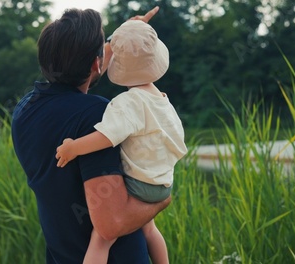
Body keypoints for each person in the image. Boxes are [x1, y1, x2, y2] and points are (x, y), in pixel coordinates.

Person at [11, 7, 171, 264]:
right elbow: (110, 224)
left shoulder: (24, 110)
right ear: (96, 63)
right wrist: (161, 201)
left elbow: (81, 72)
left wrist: (122, 39)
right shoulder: (95, 116)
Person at [55, 20, 188, 264]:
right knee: (150, 231)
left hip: (139, 184)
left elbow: (106, 137)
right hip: (162, 182)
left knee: (101, 237)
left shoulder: (128, 103)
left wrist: (73, 148)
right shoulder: (162, 100)